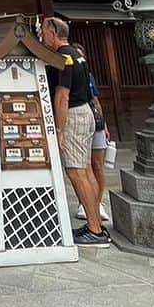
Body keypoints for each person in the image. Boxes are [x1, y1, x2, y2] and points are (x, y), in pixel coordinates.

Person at [40, 17, 110, 247]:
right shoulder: (78, 55)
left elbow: (62, 95)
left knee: (77, 172)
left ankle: (95, 230)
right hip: (86, 111)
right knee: (86, 170)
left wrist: (59, 129)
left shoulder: (64, 58)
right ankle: (96, 224)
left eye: (43, 32)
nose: (42, 36)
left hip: (73, 114)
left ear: (52, 33)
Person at [73, 44, 112, 224]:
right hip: (77, 121)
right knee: (81, 165)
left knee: (97, 164)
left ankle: (97, 203)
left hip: (94, 121)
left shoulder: (87, 75)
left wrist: (104, 125)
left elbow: (95, 100)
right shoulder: (66, 73)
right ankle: (86, 203)